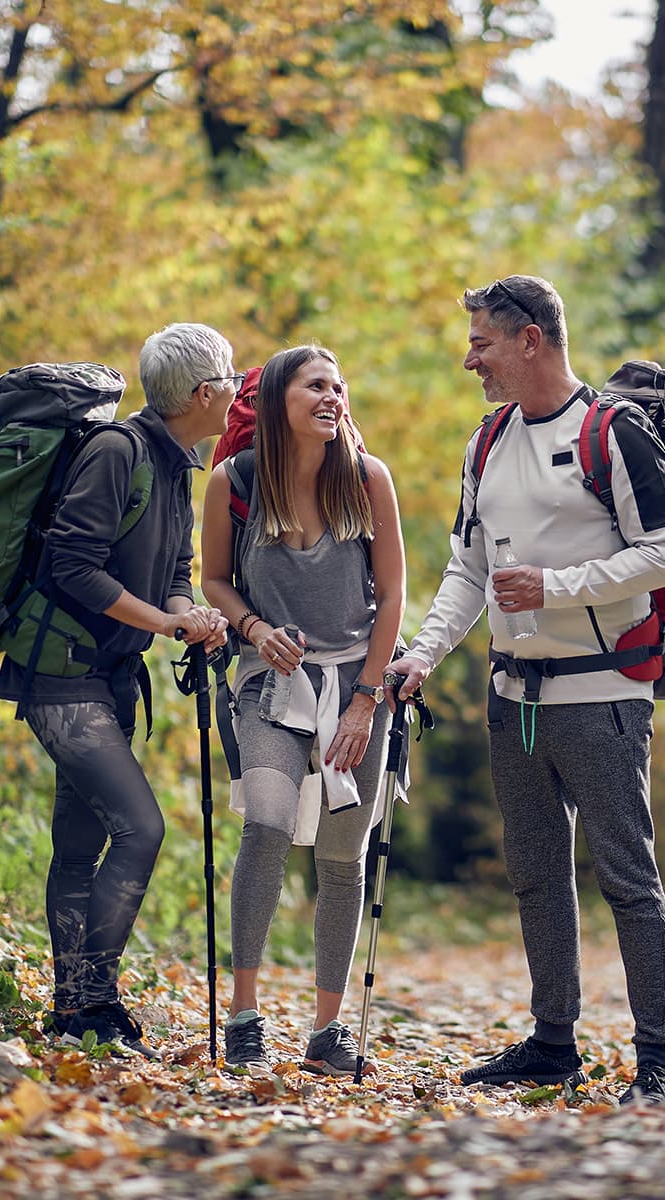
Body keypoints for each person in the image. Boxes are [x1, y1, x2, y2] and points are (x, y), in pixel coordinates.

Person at [388, 276, 665, 1105]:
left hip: (603, 692)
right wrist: (423, 655)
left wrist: (555, 587)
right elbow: (467, 569)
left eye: (481, 343)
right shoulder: (485, 441)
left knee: (627, 876)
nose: (470, 361)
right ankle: (554, 1042)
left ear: (531, 340)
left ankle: (657, 1062)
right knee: (535, 876)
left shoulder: (614, 433)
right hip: (513, 697)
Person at [0, 324, 235, 1056]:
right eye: (229, 377)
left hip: (107, 675)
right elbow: (73, 566)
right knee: (141, 829)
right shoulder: (117, 452)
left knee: (80, 845)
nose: (236, 388)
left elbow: (174, 568)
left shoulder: (175, 463)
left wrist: (190, 611)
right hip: (59, 671)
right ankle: (93, 999)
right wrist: (164, 622)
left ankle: (73, 1009)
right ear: (203, 393)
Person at [201, 344, 405, 1076]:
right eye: (316, 385)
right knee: (266, 824)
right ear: (279, 399)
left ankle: (327, 1030)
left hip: (358, 683)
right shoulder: (234, 482)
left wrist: (365, 702)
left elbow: (393, 598)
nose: (332, 397)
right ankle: (244, 1016)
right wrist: (254, 628)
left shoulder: (368, 478)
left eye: (339, 387)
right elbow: (214, 580)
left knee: (342, 857)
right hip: (270, 683)